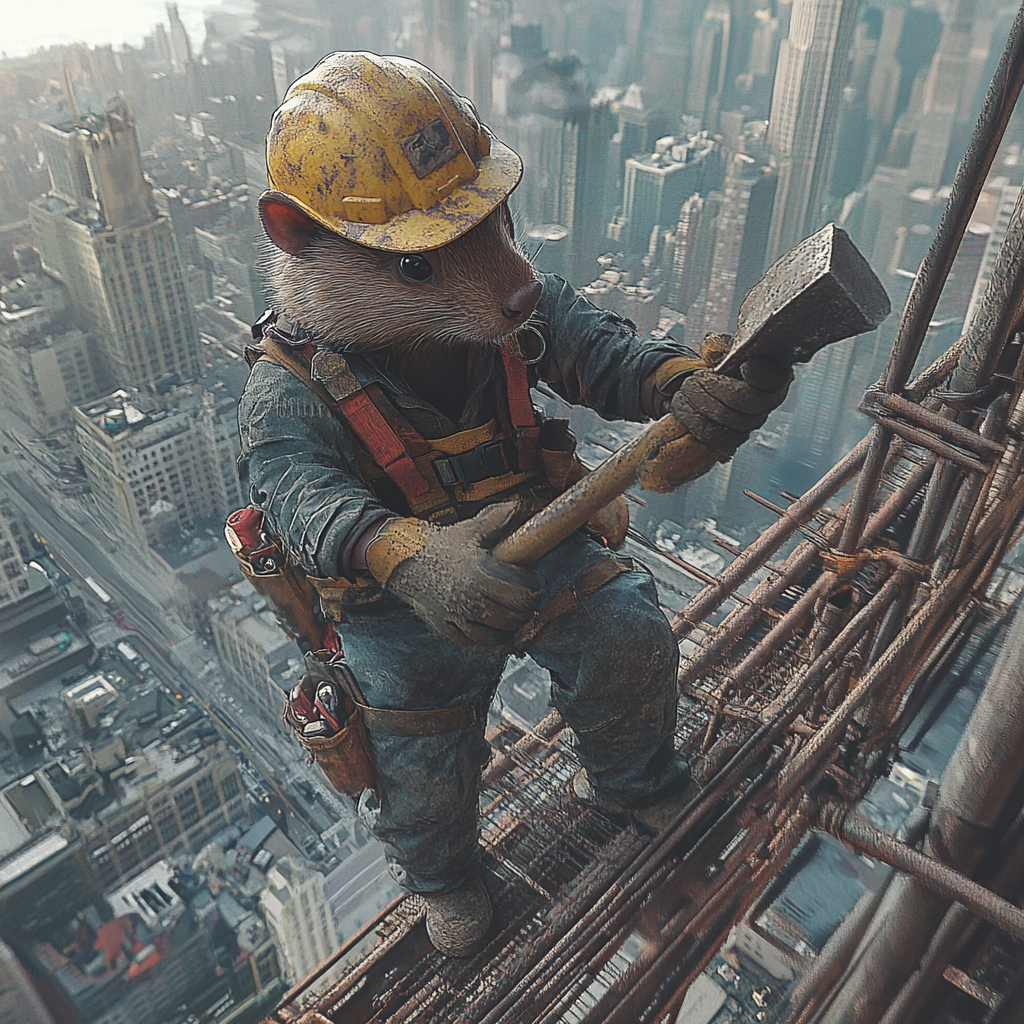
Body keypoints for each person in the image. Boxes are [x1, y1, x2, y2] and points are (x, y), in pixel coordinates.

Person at [237, 51, 791, 957]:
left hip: (541, 536)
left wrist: (681, 382)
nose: (505, 279)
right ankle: (445, 878)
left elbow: (599, 353)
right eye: (424, 265)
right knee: (417, 764)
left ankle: (631, 779)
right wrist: (407, 555)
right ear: (297, 237)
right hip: (401, 606)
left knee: (625, 635)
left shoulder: (514, 317)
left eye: (491, 225)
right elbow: (297, 497)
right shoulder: (290, 388)